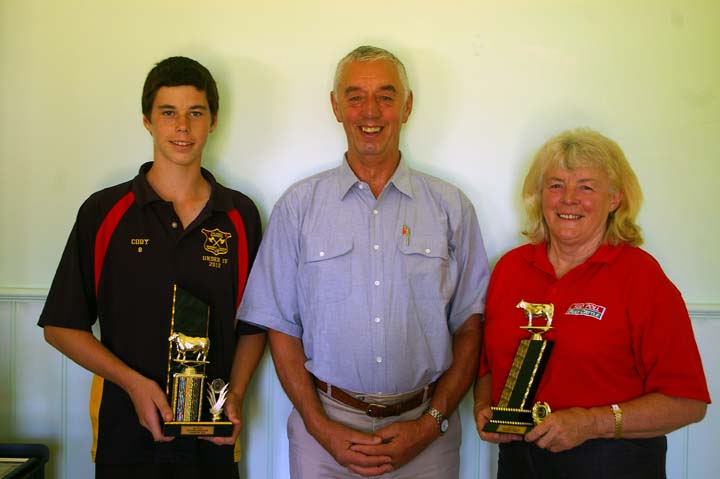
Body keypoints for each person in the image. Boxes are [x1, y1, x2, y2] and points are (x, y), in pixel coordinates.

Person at [238, 45, 490, 478]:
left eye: (386, 96)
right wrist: (320, 427)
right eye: (355, 97)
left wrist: (430, 425)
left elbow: (471, 325)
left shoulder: (451, 207)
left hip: (427, 431)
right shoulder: (298, 207)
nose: (369, 111)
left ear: (407, 106)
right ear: (336, 107)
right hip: (326, 434)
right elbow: (279, 325)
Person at [38, 56, 266, 479]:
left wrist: (234, 394)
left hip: (211, 441)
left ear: (213, 121)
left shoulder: (240, 214)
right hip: (125, 436)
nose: (182, 127)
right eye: (168, 113)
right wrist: (133, 384)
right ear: (147, 121)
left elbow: (253, 326)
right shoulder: (104, 212)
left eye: (195, 113)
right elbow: (60, 327)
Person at [474, 128, 710, 478]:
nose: (568, 198)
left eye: (586, 186)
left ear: (614, 198)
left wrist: (591, 423)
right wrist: (483, 407)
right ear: (539, 195)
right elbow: (488, 367)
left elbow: (688, 403)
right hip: (519, 464)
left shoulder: (640, 276)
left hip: (612, 463)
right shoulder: (510, 268)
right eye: (555, 185)